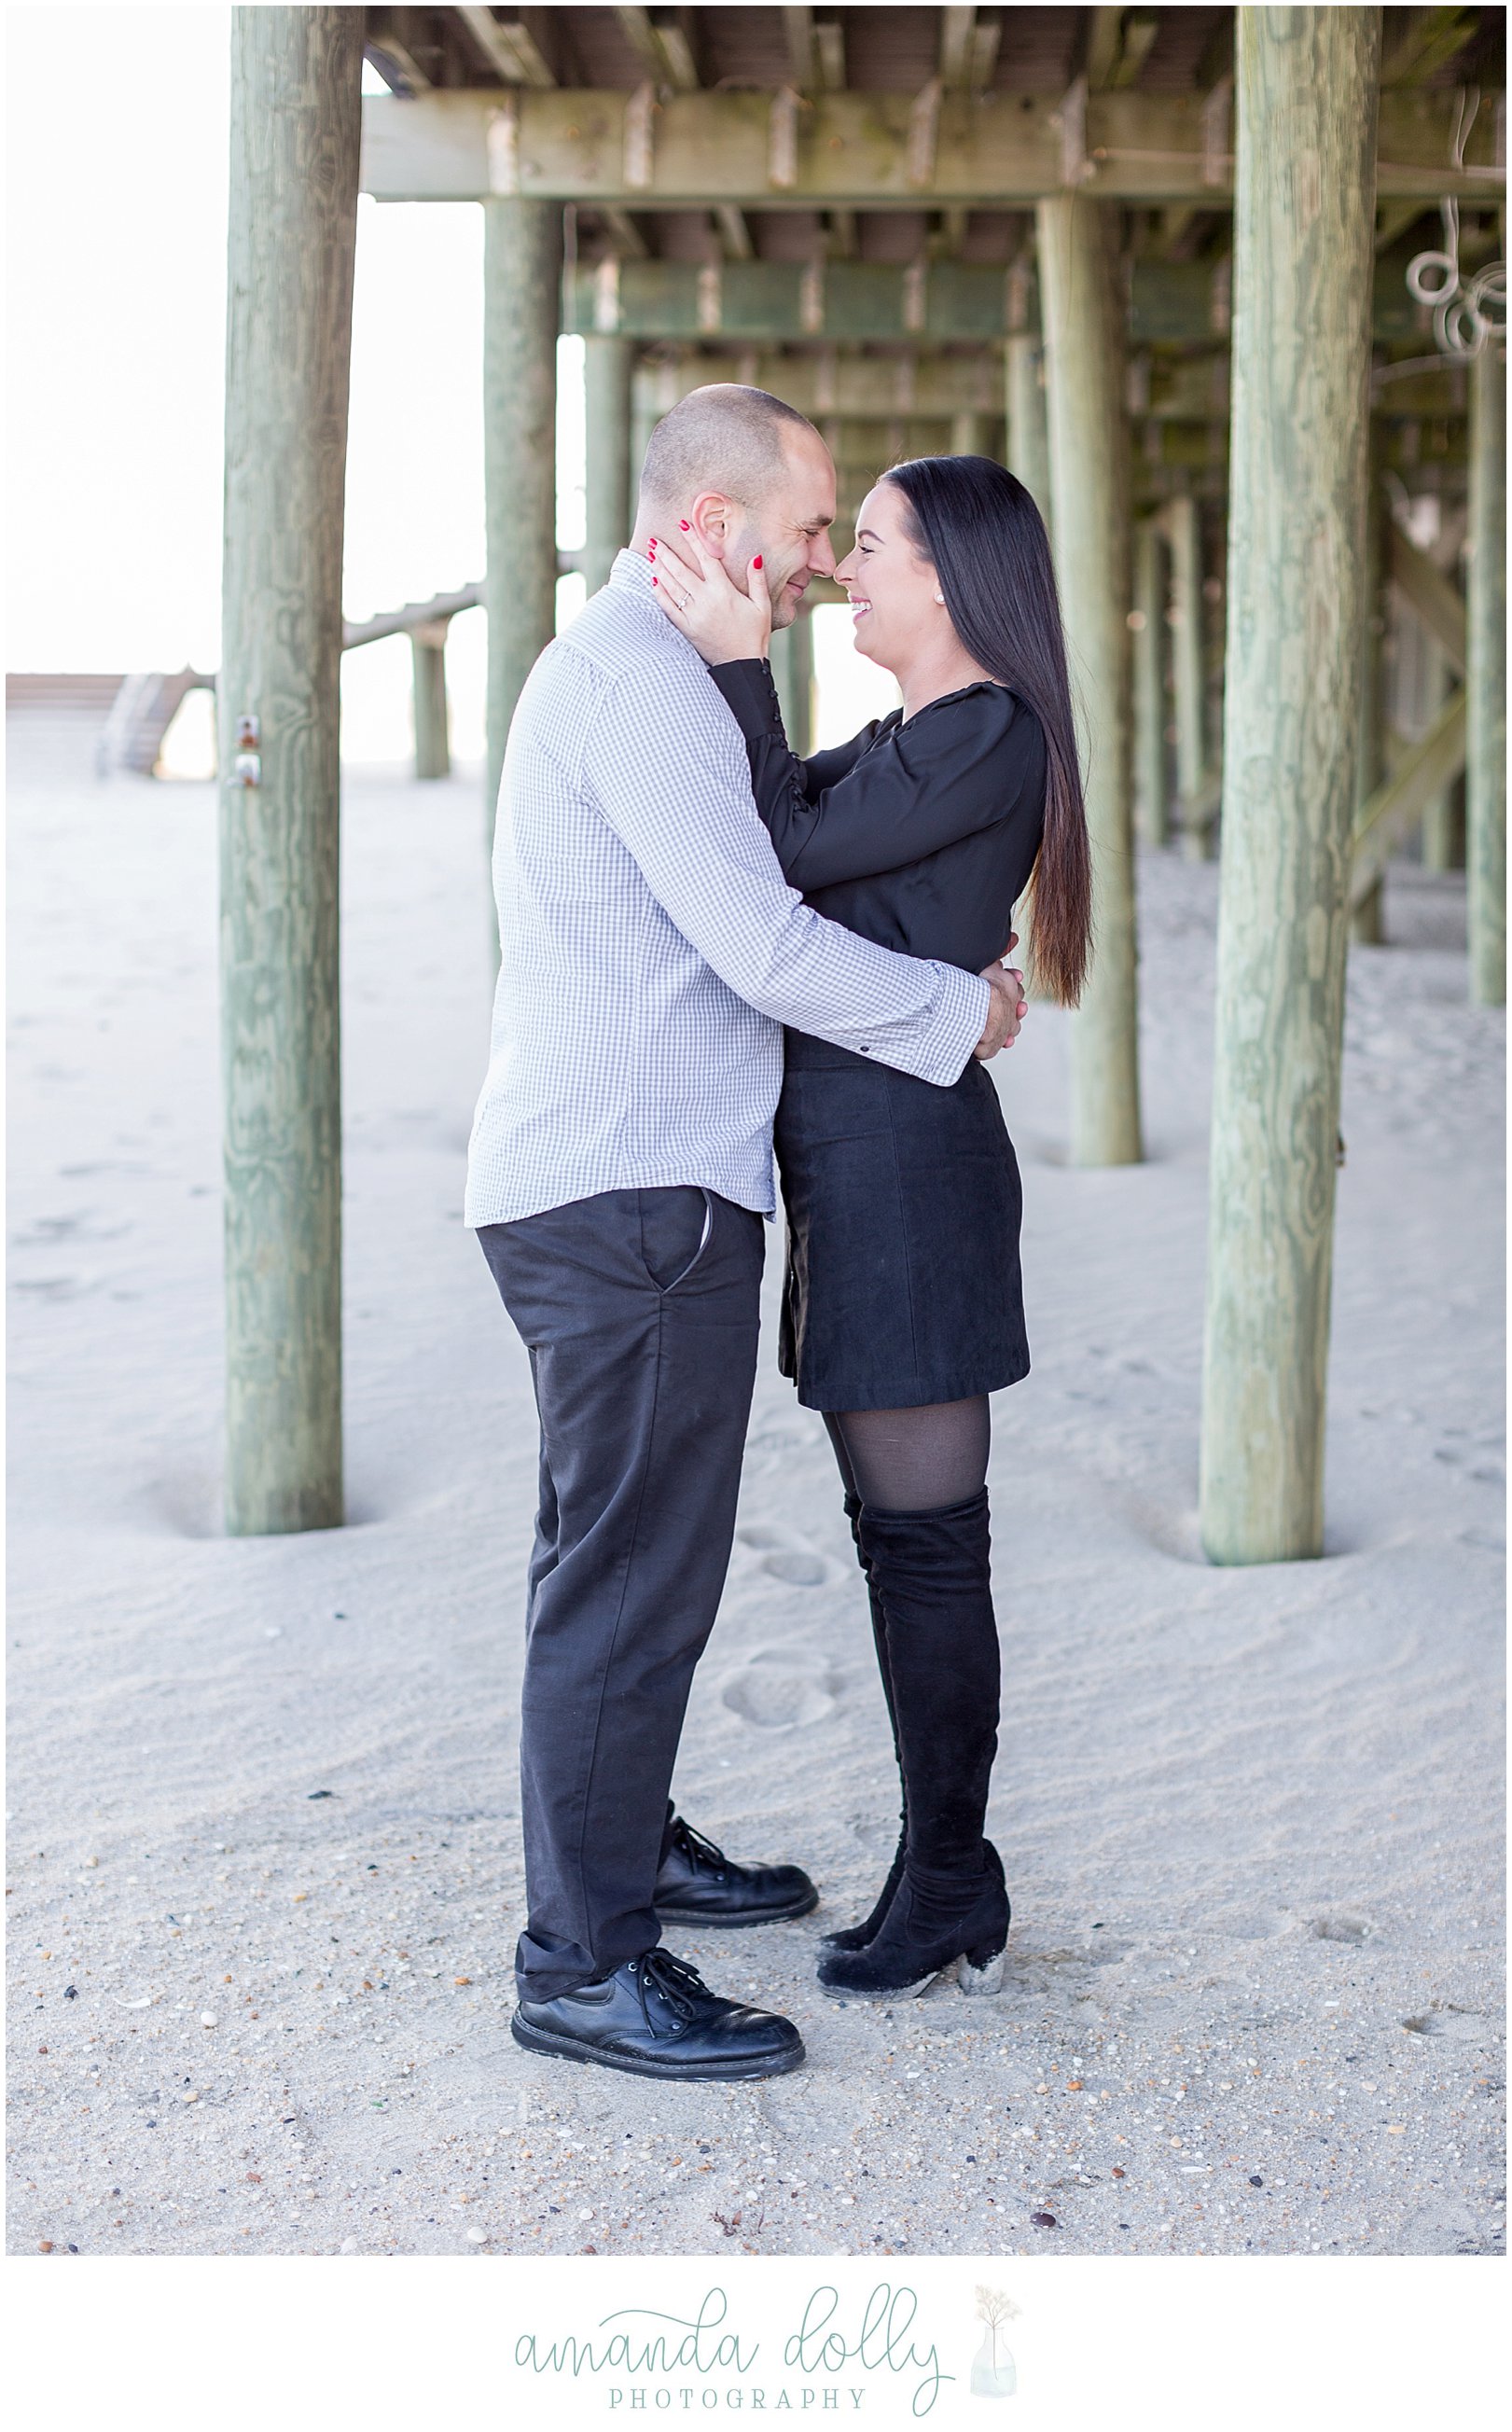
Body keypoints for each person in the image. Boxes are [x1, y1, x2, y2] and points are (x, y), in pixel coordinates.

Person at [465, 389, 1026, 2082]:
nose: (810, 568)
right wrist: (959, 1012)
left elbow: (781, 854)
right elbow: (766, 946)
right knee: (630, 1586)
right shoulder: (644, 685)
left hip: (638, 1185)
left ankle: (621, 1858)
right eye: (803, 533)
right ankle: (582, 1961)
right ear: (712, 525)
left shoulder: (655, 671)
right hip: (631, 1190)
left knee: (617, 1566)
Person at [649, 452, 1092, 2000]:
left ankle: (953, 1876)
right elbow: (775, 825)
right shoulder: (916, 735)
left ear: (956, 582)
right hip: (858, 1173)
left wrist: (731, 656)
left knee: (923, 1553)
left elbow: (769, 841)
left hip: (908, 1184)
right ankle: (942, 1869)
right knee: (897, 1547)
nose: (851, 569)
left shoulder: (988, 734)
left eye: (878, 545)